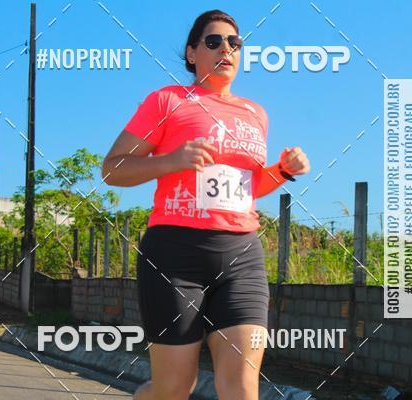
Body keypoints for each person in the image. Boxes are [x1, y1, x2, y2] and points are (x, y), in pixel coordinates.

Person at [102, 9, 310, 400]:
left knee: (242, 387)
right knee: (175, 387)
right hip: (175, 253)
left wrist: (283, 170)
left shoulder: (256, 114)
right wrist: (172, 161)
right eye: (213, 41)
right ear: (192, 53)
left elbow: (248, 186)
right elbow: (113, 169)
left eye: (234, 43)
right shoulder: (167, 101)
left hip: (241, 254)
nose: (225, 49)